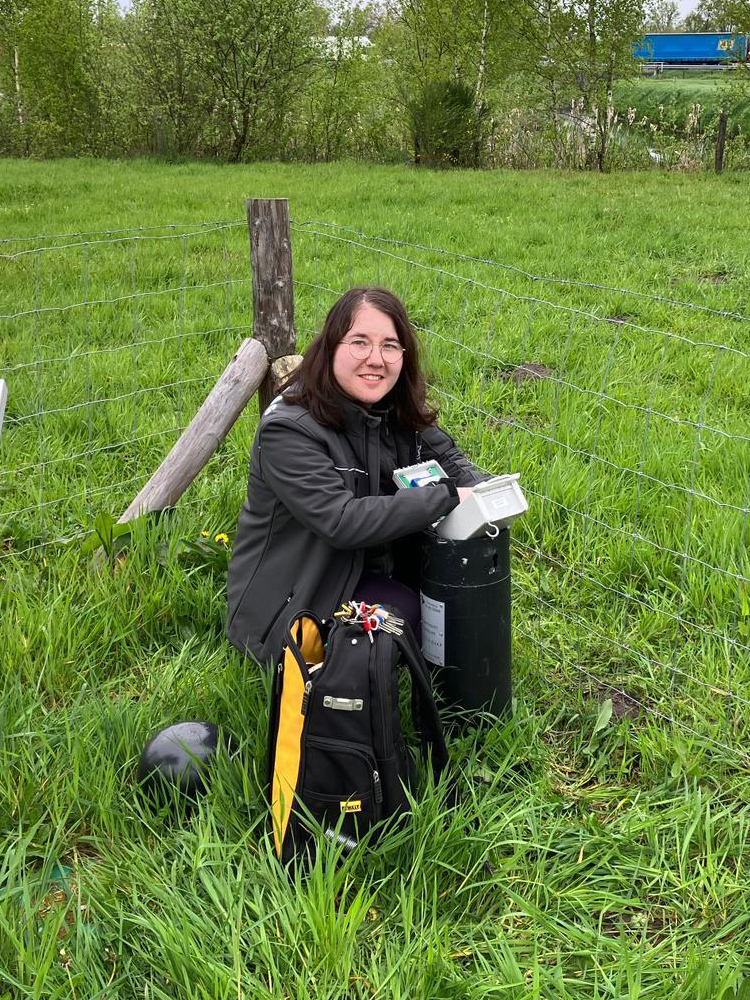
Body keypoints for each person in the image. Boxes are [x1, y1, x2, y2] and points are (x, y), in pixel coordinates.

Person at [226, 286, 487, 665]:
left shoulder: (389, 408)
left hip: (365, 570)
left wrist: (482, 491)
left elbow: (449, 459)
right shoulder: (289, 430)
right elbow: (341, 521)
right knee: (404, 619)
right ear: (331, 346)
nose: (375, 359)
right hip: (294, 602)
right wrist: (446, 497)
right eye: (359, 342)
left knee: (456, 603)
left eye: (390, 345)